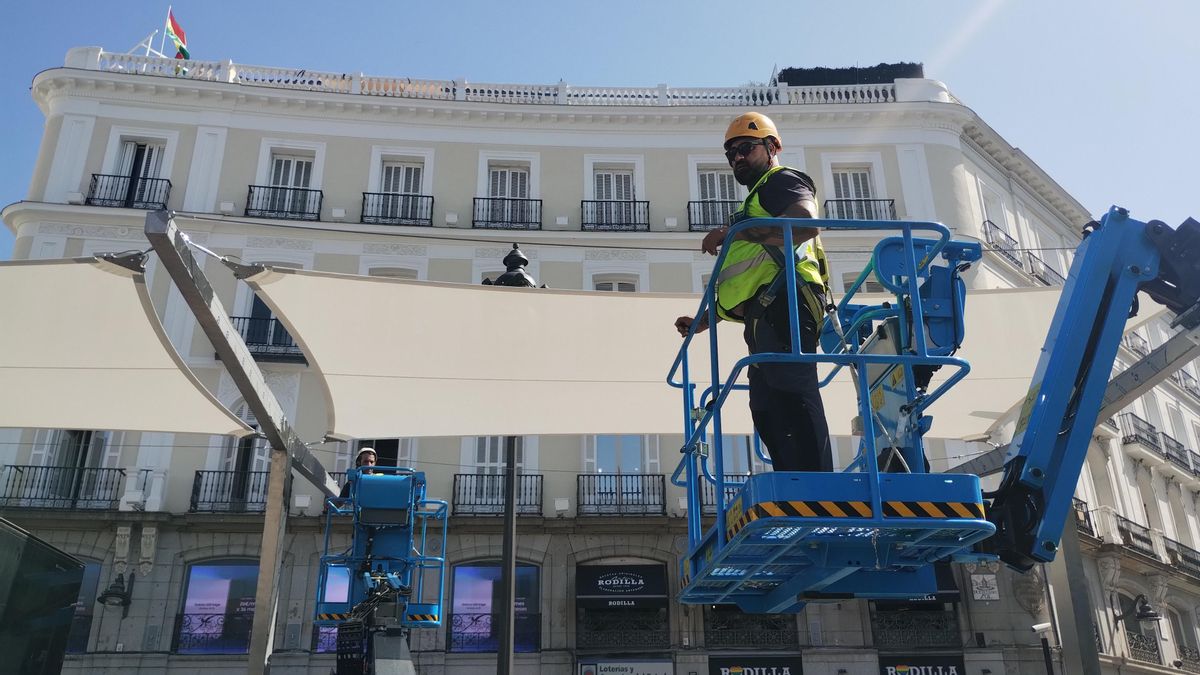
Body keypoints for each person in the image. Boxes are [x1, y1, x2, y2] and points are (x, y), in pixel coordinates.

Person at [674, 112, 833, 473]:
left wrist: (738, 233)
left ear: (773, 146)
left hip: (787, 302)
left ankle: (816, 487)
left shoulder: (781, 181)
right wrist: (704, 321)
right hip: (764, 314)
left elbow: (805, 223)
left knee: (791, 394)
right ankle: (793, 485)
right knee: (766, 409)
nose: (737, 158)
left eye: (746, 148)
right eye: (731, 154)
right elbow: (751, 271)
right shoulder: (753, 205)